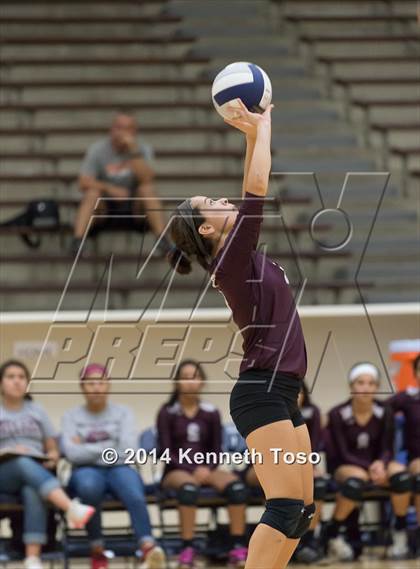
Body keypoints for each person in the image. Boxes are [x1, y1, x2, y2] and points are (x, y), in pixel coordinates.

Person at [168, 99, 313, 569]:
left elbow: (249, 185)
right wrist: (264, 126)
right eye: (212, 204)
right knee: (285, 505)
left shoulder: (242, 256)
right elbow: (256, 188)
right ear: (208, 228)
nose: (223, 198)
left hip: (284, 392)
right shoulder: (230, 259)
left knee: (302, 511)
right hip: (261, 392)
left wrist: (251, 133)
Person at [61, 363, 166, 569]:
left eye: (101, 382)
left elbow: (128, 449)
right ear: (82, 387)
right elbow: (72, 453)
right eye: (91, 383)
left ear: (108, 385)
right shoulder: (70, 416)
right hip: (85, 470)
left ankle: (148, 549)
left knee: (133, 490)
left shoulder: (124, 413)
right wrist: (110, 448)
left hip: (120, 467)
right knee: (88, 488)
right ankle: (97, 550)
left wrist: (87, 447)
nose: (96, 387)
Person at [0, 359, 95, 569]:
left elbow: (52, 447)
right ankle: (70, 507)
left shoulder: (37, 410)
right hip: (3, 472)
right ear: (1, 383)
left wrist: (52, 456)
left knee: (33, 489)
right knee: (21, 461)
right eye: (10, 377)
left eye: (21, 377)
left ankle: (32, 557)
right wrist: (10, 452)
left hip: (35, 471)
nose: (17, 381)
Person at [157, 360, 248, 568]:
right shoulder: (167, 412)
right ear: (177, 382)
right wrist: (192, 470)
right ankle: (187, 549)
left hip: (207, 467)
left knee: (237, 487)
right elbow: (165, 450)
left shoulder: (211, 412)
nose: (190, 382)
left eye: (194, 377)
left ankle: (237, 547)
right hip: (176, 469)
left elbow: (216, 448)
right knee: (188, 488)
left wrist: (206, 469)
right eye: (185, 377)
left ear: (202, 381)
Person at [325, 362, 413, 561]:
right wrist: (370, 469)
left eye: (372, 383)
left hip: (377, 463)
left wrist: (381, 464)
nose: (366, 388)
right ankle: (333, 535)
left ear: (377, 387)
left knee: (401, 476)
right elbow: (342, 452)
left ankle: (399, 533)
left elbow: (387, 447)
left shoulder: (385, 411)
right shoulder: (337, 413)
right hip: (346, 465)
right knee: (357, 480)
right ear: (351, 386)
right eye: (361, 383)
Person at [244, 381, 327, 564]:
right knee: (286, 507)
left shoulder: (310, 412)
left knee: (304, 512)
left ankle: (308, 544)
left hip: (285, 402)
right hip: (264, 395)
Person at [71, 113, 171, 255]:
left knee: (147, 189)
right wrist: (109, 188)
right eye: (119, 127)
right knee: (91, 193)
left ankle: (162, 240)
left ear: (134, 132)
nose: (122, 132)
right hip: (106, 207)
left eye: (128, 128)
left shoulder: (142, 149)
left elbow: (147, 179)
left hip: (134, 207)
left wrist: (133, 151)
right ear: (111, 130)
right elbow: (83, 182)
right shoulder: (98, 149)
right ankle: (78, 241)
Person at [386, 353, 420, 540]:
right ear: (416, 373)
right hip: (416, 458)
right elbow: (379, 410)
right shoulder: (408, 398)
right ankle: (400, 531)